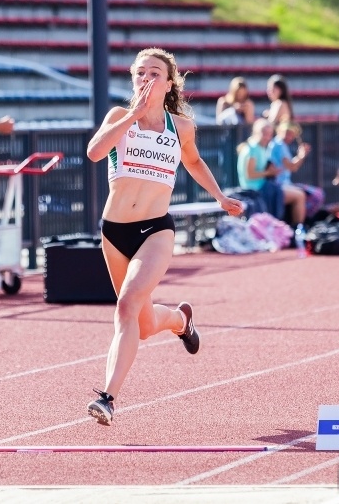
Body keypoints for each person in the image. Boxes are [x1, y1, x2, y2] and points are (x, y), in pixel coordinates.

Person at [84, 48, 243, 426]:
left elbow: (193, 161)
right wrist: (136, 116)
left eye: (154, 73)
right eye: (140, 73)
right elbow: (94, 152)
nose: (145, 79)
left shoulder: (181, 128)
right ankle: (179, 321)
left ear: (169, 83)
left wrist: (220, 197)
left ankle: (107, 398)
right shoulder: (119, 117)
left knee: (125, 306)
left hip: (155, 230)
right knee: (142, 324)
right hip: (114, 231)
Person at [267, 122, 324, 224]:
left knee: (316, 194)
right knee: (316, 195)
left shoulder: (280, 145)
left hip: (285, 183)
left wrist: (301, 155)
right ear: (280, 131)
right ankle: (299, 225)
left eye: (292, 134)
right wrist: (301, 155)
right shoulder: (279, 144)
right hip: (279, 184)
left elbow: (293, 167)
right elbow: (292, 166)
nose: (289, 136)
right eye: (287, 133)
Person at [237, 118, 283, 219]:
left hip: (262, 187)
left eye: (270, 134)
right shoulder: (252, 149)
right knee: (296, 196)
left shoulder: (260, 148)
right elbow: (250, 175)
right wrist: (268, 173)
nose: (267, 137)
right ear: (256, 132)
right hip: (254, 190)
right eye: (264, 133)